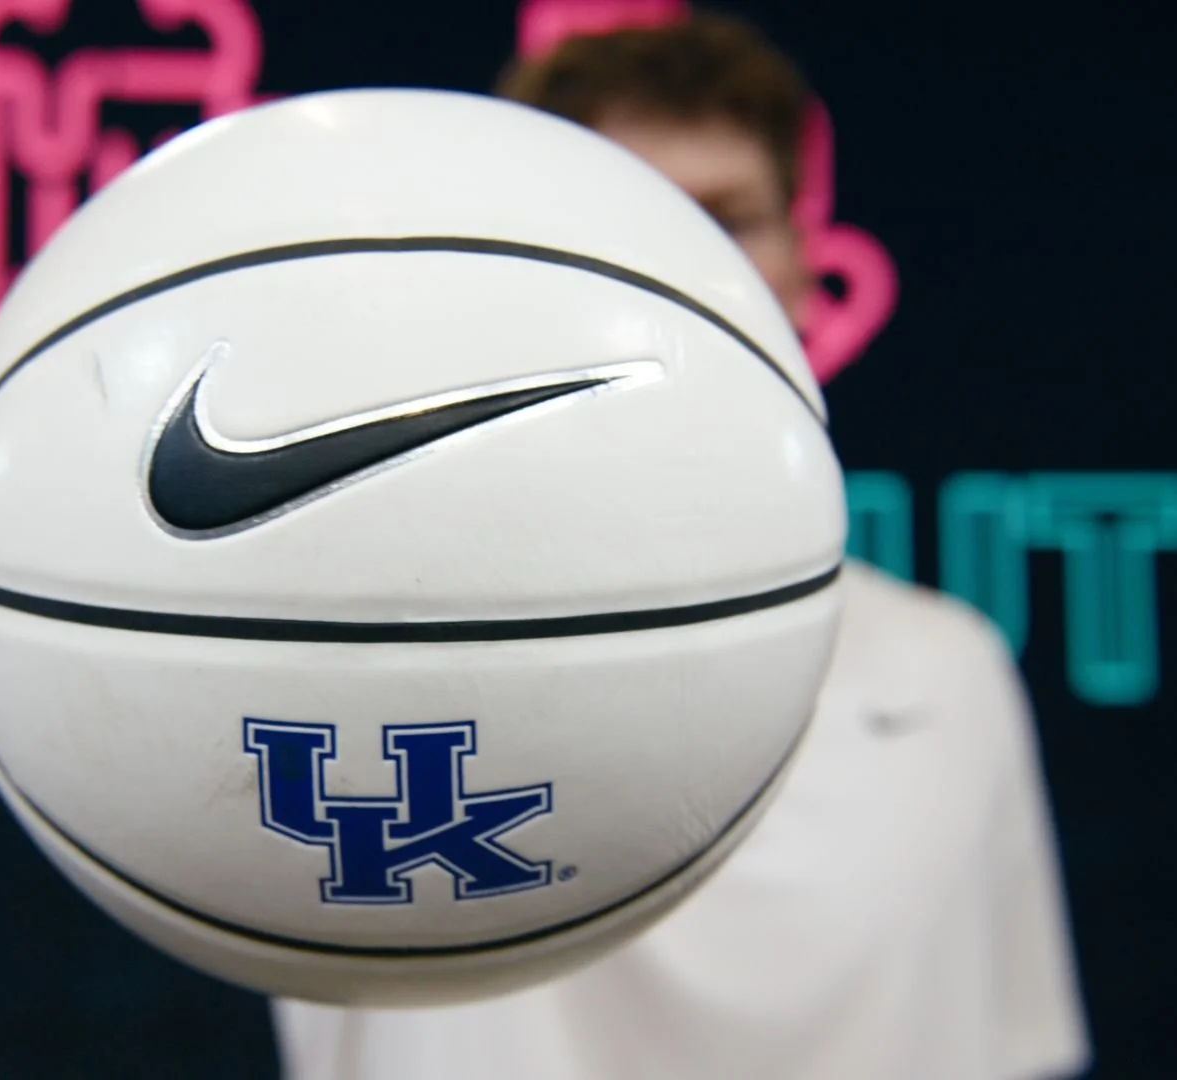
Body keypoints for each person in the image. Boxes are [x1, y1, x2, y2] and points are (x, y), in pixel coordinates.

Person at [269, 12, 1092, 1080]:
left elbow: (1003, 1051)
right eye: (634, 214)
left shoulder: (948, 671)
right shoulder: (324, 649)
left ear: (802, 269)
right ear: (515, 268)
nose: (685, 266)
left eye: (728, 219)